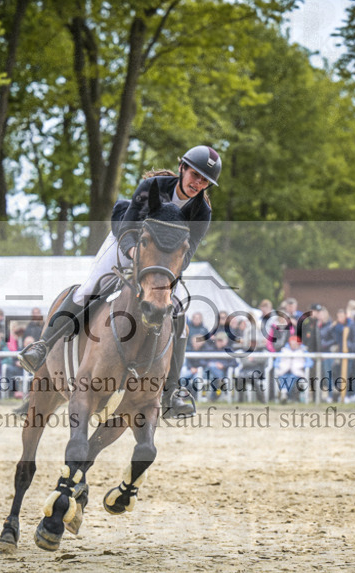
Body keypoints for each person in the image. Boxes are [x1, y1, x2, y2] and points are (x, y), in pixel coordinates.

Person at [16, 145, 221, 419]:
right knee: (90, 289)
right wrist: (135, 254)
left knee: (178, 310)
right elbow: (127, 228)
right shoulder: (152, 187)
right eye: (195, 175)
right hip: (127, 244)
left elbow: (188, 253)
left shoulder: (202, 211)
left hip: (161, 263)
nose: (198, 183)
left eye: (204, 181)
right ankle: (42, 346)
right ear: (182, 168)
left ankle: (172, 391)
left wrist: (164, 273)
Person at [275, 335, 312, 403]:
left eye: (295, 343)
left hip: (297, 371)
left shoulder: (303, 350)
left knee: (291, 378)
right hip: (284, 370)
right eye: (292, 343)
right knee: (283, 377)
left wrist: (302, 365)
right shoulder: (284, 350)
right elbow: (276, 362)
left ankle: (284, 392)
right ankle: (284, 394)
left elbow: (310, 362)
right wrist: (280, 366)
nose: (294, 345)